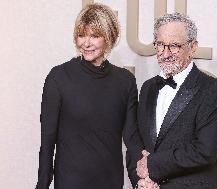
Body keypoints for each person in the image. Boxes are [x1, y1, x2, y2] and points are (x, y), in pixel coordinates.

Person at [35, 3, 143, 189]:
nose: (86, 43)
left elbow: (132, 139)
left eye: (94, 36)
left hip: (110, 182)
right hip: (71, 182)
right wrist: (42, 185)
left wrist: (140, 182)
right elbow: (47, 140)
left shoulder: (125, 81)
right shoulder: (59, 77)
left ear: (109, 37)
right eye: (81, 35)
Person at [136, 12, 217, 189]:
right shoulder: (148, 88)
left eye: (174, 46)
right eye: (160, 45)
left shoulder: (213, 91)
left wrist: (152, 166)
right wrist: (144, 181)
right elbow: (143, 144)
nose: (165, 53)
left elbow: (205, 151)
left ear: (193, 47)